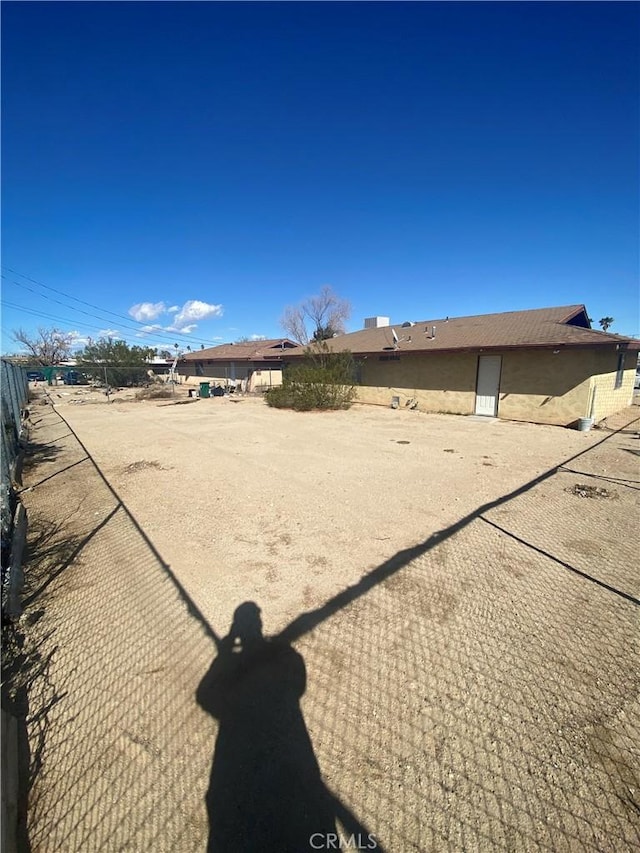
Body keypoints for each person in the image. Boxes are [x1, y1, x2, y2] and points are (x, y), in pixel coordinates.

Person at [197, 602, 336, 852]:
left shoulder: (243, 656)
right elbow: (297, 684)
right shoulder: (287, 658)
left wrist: (226, 653)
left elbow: (205, 696)